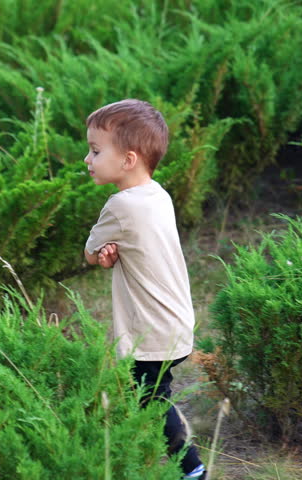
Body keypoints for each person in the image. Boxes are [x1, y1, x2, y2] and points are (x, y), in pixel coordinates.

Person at [83, 99, 205, 479]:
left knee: (151, 401)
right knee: (147, 396)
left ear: (128, 159)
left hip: (149, 332)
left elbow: (90, 254)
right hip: (176, 321)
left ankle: (191, 468)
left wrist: (102, 255)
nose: (87, 159)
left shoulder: (119, 205)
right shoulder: (157, 194)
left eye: (95, 151)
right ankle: (142, 460)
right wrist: (113, 254)